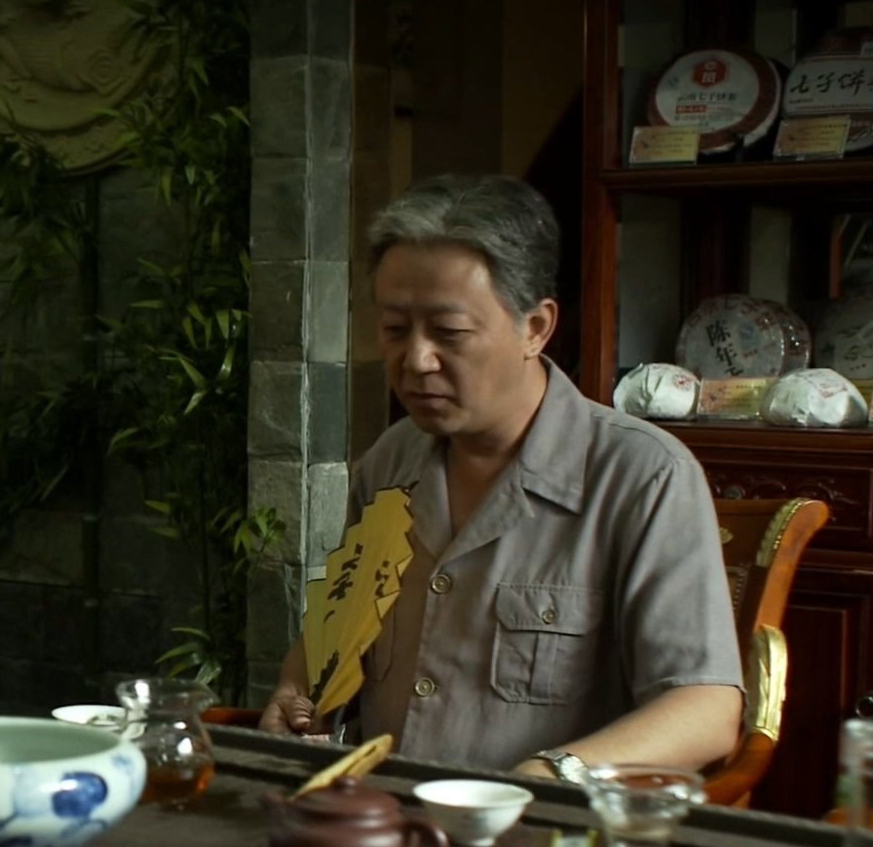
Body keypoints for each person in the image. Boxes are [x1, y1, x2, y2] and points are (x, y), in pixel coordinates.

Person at [258, 174, 744, 783]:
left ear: (535, 328)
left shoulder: (644, 477)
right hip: (379, 810)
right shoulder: (390, 462)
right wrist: (295, 687)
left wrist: (552, 773)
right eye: (395, 330)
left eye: (450, 333)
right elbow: (340, 626)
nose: (416, 360)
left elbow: (705, 708)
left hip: (541, 825)